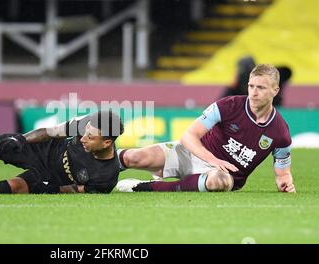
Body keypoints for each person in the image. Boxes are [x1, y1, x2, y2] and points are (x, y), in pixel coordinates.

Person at [116, 64, 296, 193]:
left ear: (275, 90)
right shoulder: (229, 105)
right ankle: (93, 162)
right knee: (133, 157)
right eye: (251, 86)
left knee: (218, 182)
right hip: (191, 153)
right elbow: (189, 136)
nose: (254, 93)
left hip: (223, 176)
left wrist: (285, 184)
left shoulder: (280, 133)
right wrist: (212, 159)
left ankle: (144, 187)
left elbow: (283, 174)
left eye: (261, 88)